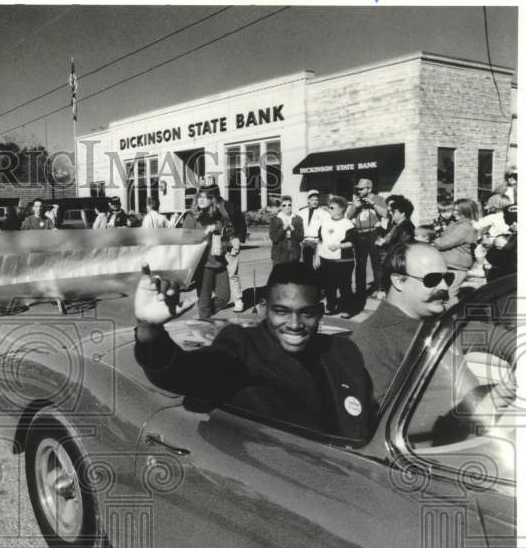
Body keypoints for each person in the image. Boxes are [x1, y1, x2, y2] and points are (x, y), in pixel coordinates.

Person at [134, 261, 372, 438]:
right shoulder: (242, 346)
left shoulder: (344, 351)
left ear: (319, 313)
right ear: (264, 308)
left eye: (307, 313)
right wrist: (149, 330)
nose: (295, 324)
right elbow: (188, 373)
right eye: (282, 311)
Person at [350, 242, 453, 408]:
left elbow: (482, 333)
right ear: (399, 281)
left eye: (447, 278)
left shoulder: (433, 318)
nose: (445, 287)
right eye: (432, 279)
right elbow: (384, 417)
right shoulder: (375, 339)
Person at [181, 191, 228, 319]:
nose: (202, 200)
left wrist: (228, 244)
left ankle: (203, 316)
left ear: (212, 200)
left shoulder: (218, 216)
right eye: (199, 197)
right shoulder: (192, 216)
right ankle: (204, 319)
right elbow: (185, 239)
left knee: (224, 297)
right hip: (203, 264)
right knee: (205, 300)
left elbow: (224, 236)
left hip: (219, 260)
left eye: (206, 197)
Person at [344, 178, 388, 306]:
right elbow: (348, 216)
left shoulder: (378, 198)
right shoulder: (356, 200)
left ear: (369, 188)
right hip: (359, 234)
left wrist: (373, 204)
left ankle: (379, 289)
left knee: (376, 262)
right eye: (357, 189)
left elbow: (386, 214)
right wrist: (354, 207)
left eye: (361, 189)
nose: (359, 191)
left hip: (374, 232)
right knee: (360, 264)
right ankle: (360, 290)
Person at [205, 185, 247, 312]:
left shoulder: (231, 207)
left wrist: (238, 240)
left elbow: (241, 224)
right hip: (214, 244)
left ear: (215, 196)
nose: (207, 200)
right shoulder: (208, 209)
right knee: (213, 272)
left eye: (209, 197)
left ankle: (238, 300)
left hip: (230, 243)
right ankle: (217, 299)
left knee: (232, 273)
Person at [314, 195, 358, 317]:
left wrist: (339, 246)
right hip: (326, 260)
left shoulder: (348, 224)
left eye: (332, 207)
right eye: (329, 207)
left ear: (341, 209)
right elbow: (320, 240)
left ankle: (347, 309)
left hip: (343, 261)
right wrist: (317, 256)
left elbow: (353, 243)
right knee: (329, 285)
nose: (329, 209)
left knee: (344, 286)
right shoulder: (325, 223)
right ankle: (331, 307)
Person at [432, 197, 478, 292]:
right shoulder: (458, 224)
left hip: (455, 268)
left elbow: (442, 243)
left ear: (466, 211)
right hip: (452, 266)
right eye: (454, 210)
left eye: (457, 211)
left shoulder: (464, 227)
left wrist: (432, 238)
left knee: (449, 295)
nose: (454, 213)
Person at [374, 195, 416, 281]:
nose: (390, 213)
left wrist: (385, 244)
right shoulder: (397, 226)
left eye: (393, 211)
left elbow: (402, 249)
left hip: (397, 268)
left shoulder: (406, 228)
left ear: (403, 213)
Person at [269, 195, 304, 264]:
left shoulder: (298, 219)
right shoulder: (275, 219)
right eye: (284, 205)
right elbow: (274, 238)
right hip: (279, 255)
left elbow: (300, 237)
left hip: (294, 255)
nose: (287, 207)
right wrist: (283, 228)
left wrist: (292, 228)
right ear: (281, 207)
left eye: (289, 205)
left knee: (294, 275)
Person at [296, 189, 325, 268]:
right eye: (312, 200)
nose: (314, 202)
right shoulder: (301, 212)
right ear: (308, 200)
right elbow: (297, 227)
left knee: (317, 265)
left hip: (317, 242)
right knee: (306, 265)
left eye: (316, 200)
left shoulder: (323, 213)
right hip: (305, 242)